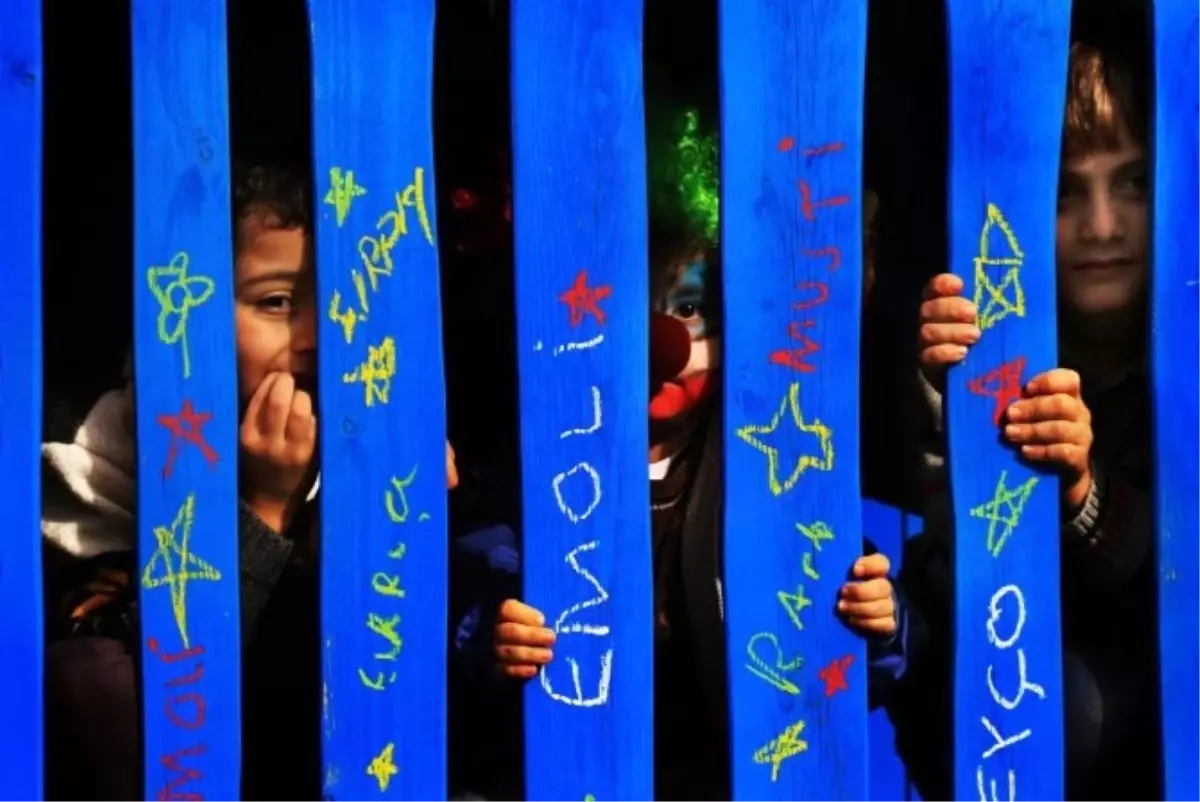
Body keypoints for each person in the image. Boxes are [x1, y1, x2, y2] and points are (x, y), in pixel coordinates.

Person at [470, 99, 909, 800]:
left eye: (689, 308)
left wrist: (879, 624)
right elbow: (466, 601)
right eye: (627, 307)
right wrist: (491, 638)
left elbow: (859, 650)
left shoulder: (767, 469)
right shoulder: (529, 473)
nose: (665, 346)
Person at [41, 160, 463, 801]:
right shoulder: (100, 464)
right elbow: (138, 705)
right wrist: (266, 506)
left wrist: (413, 517)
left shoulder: (369, 438)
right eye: (276, 302)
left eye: (339, 302)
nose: (316, 335)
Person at [893, 9, 1158, 800]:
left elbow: (1165, 583)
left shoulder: (1178, 370)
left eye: (1134, 183)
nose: (1102, 226)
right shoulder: (994, 346)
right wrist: (954, 402)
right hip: (994, 707)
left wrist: (1083, 494)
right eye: (1065, 193)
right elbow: (947, 575)